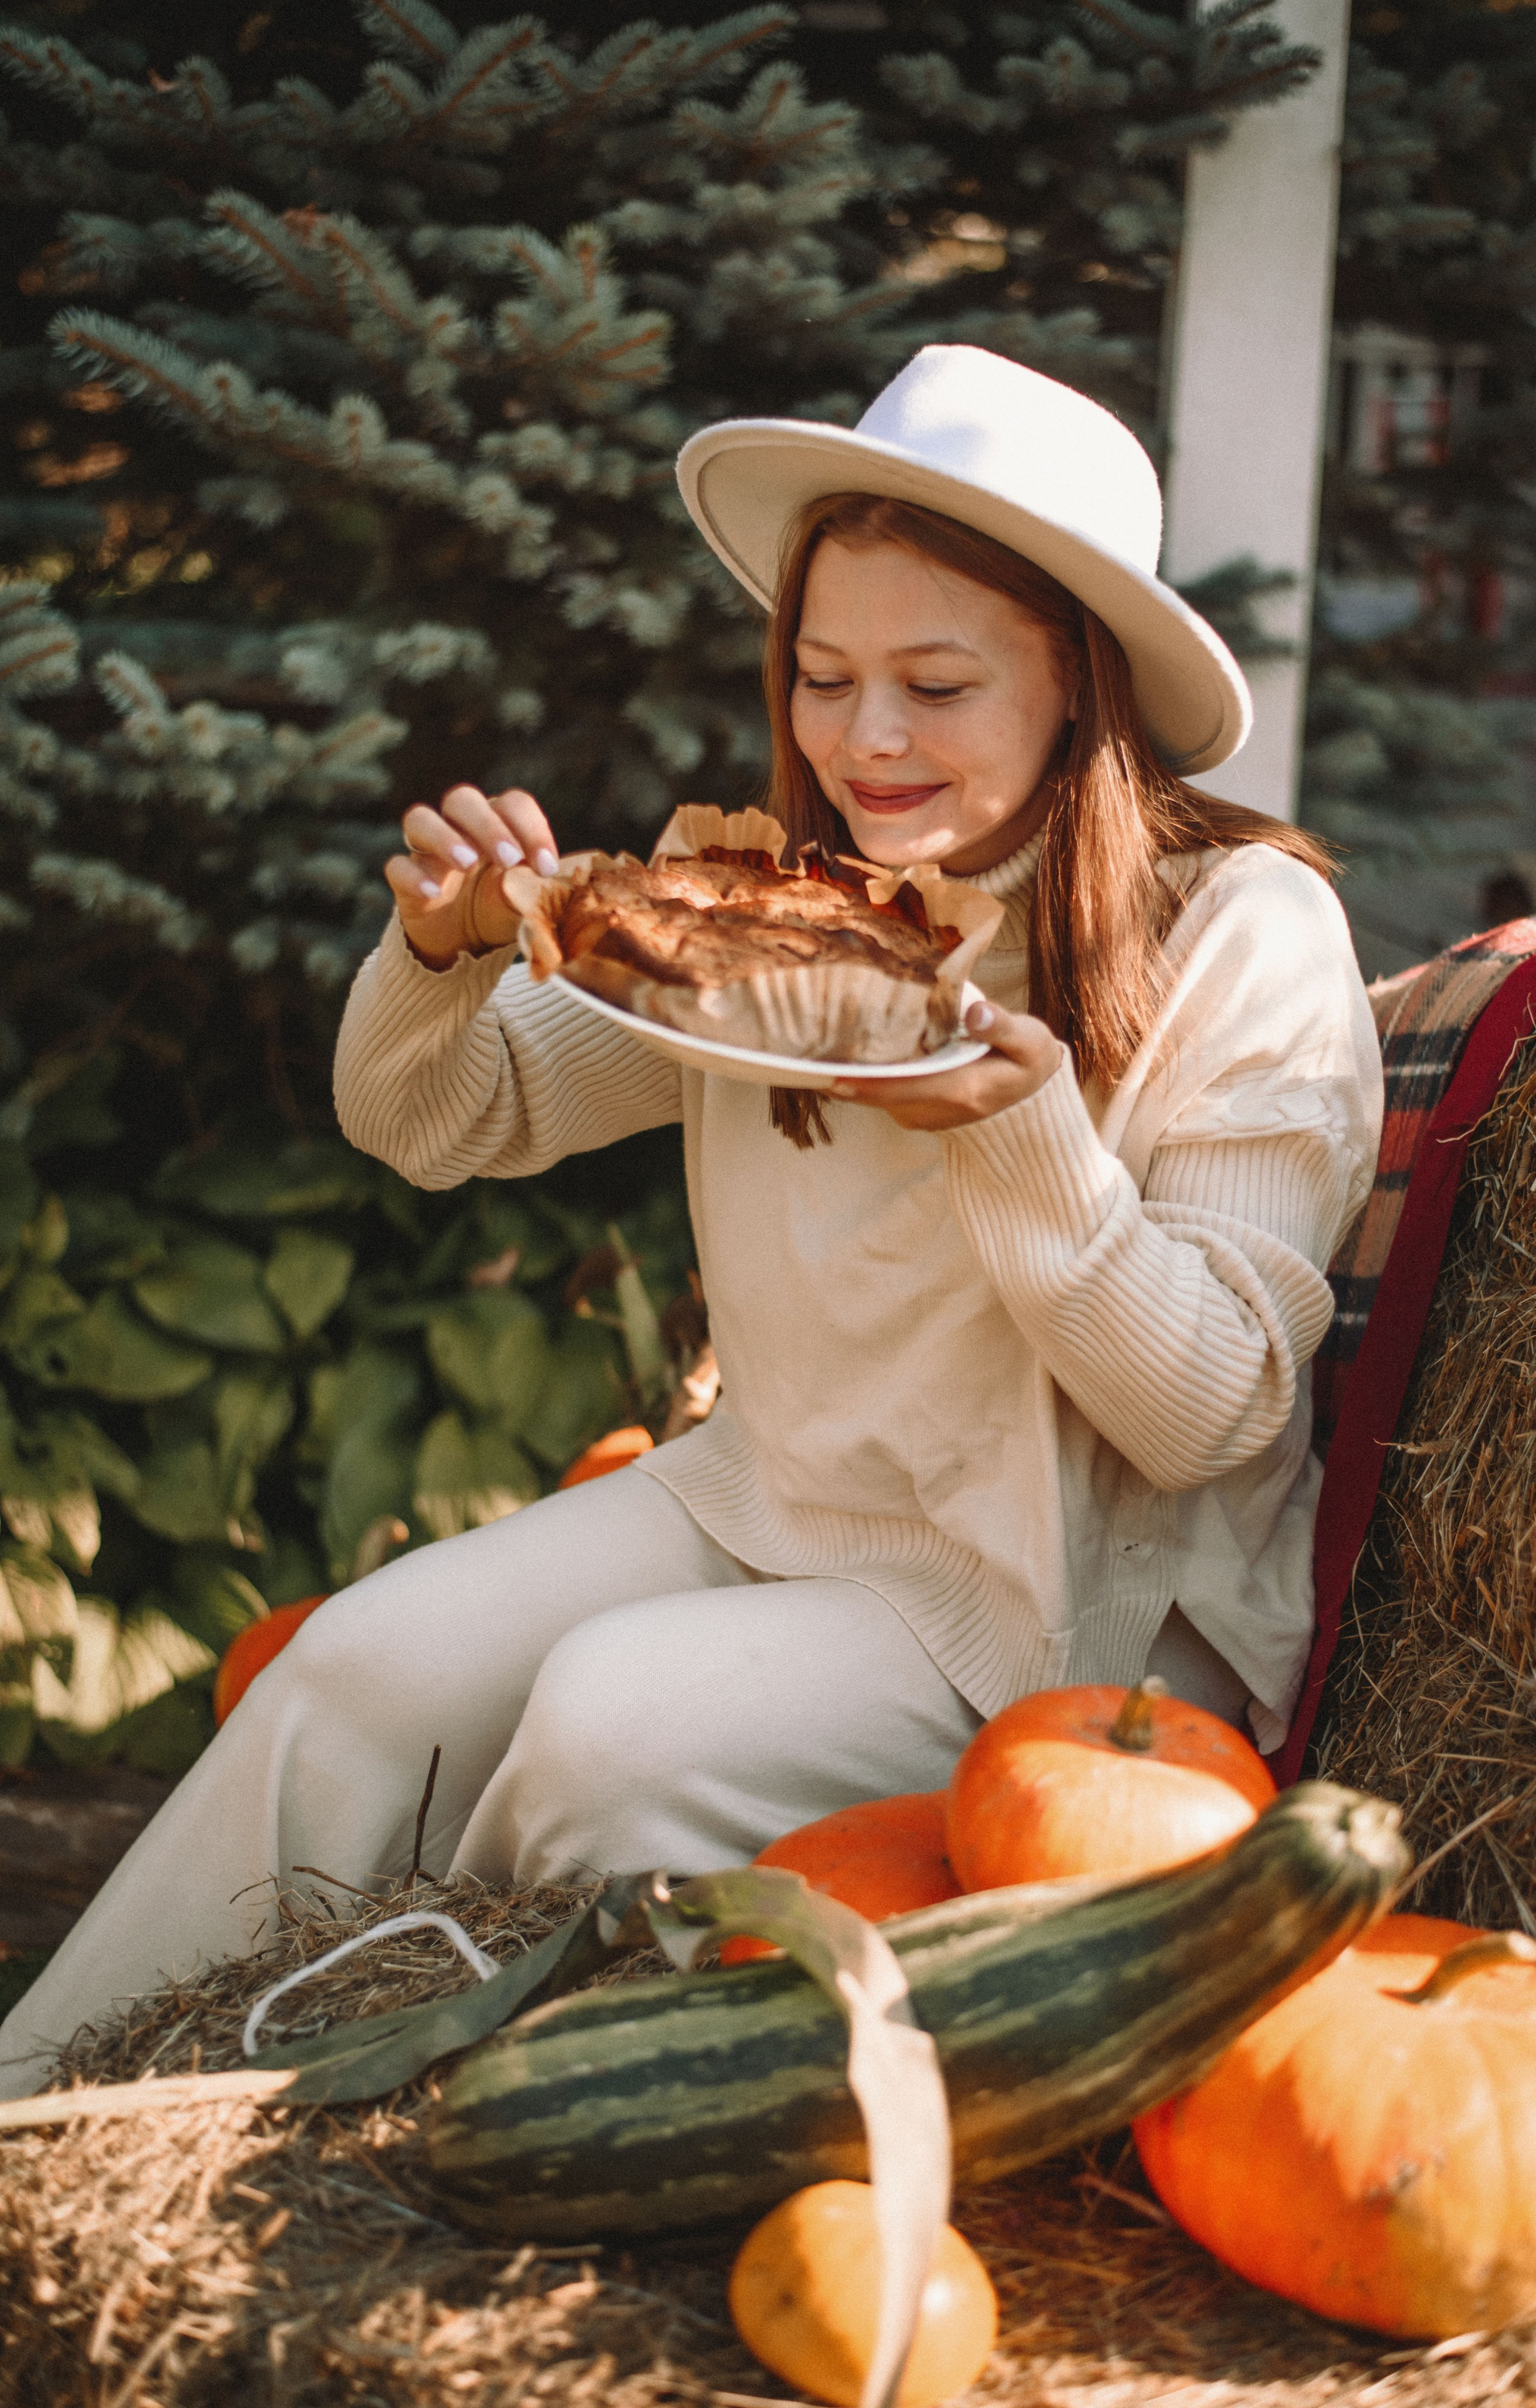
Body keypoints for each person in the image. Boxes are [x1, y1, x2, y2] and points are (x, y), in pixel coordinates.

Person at [0, 346, 1381, 2093]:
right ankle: (49, 2124)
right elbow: (440, 1114)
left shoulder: (1240, 934)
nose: (863, 738)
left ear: (1078, 687)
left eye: (936, 684)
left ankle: (364, 2123)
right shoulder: (779, 917)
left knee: (606, 1726)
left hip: (1055, 1607)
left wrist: (1018, 1131)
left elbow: (1211, 1412)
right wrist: (441, 952)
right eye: (823, 675)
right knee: (352, 1675)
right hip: (773, 1494)